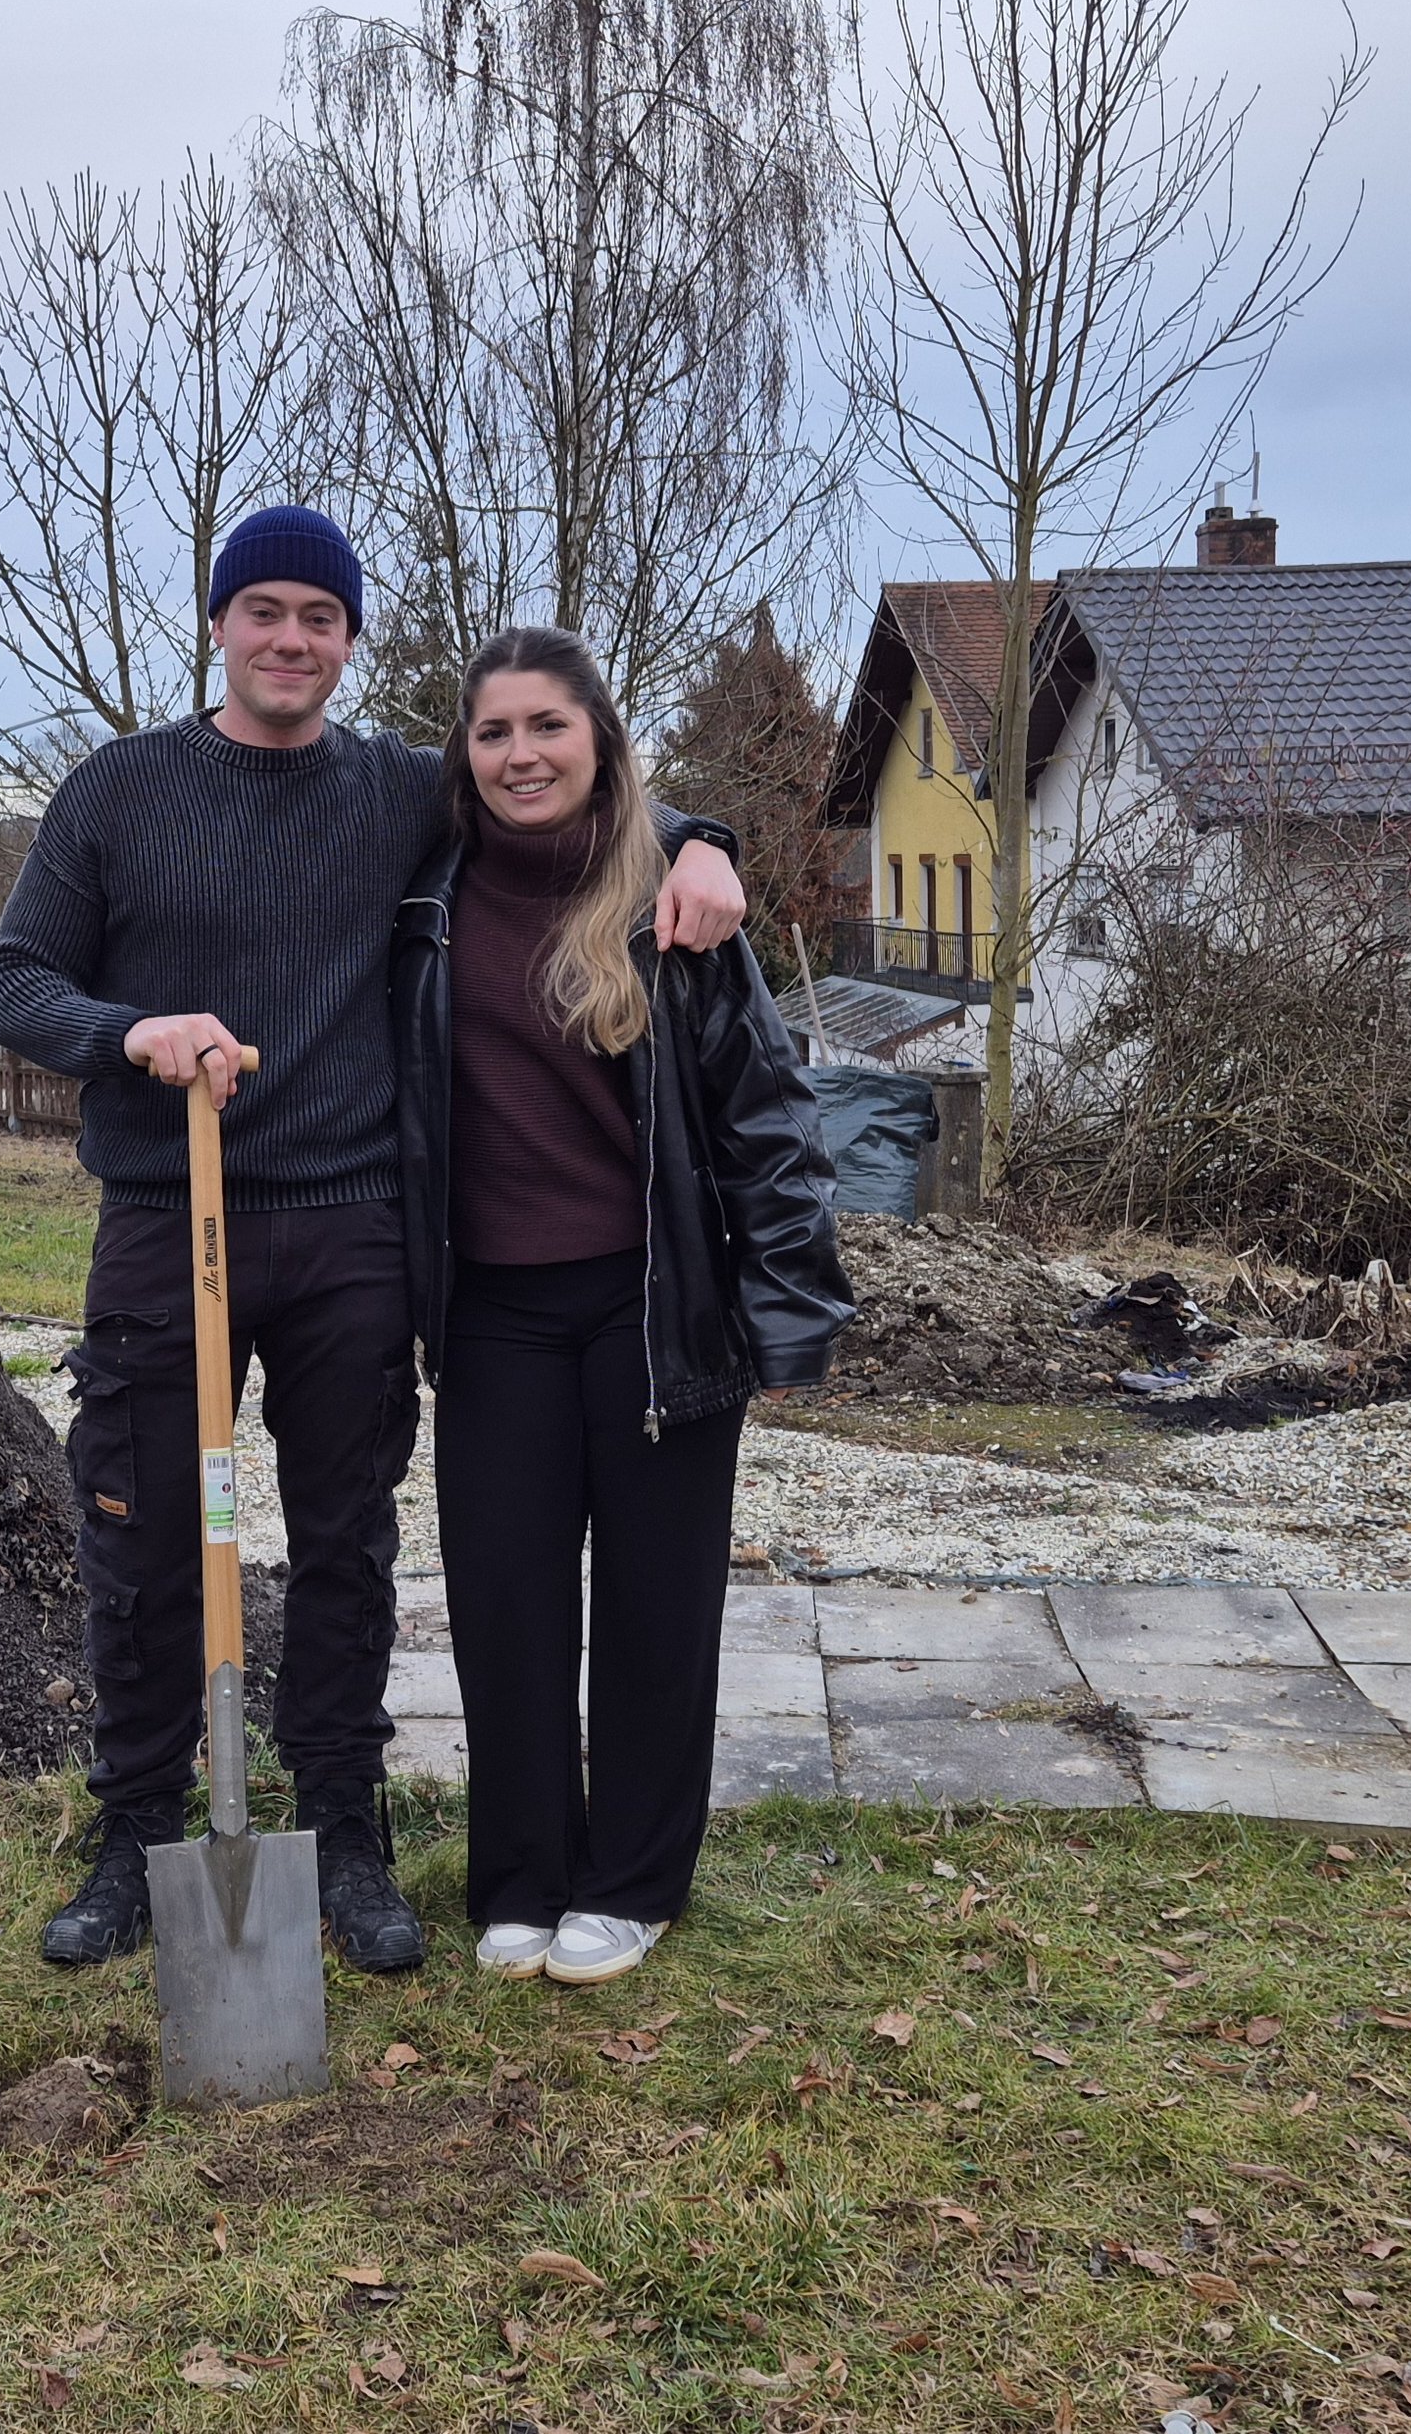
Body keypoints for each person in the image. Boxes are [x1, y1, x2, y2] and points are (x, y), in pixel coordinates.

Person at [0, 507, 751, 1974]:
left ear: (349, 640)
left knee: (344, 1544)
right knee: (143, 1541)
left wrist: (701, 842)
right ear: (219, 624)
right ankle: (139, 1830)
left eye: (318, 618)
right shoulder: (118, 790)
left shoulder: (404, 790)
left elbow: (570, 802)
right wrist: (125, 1028)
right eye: (262, 611)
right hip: (164, 1223)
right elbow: (17, 979)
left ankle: (344, 1826)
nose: (289, 639)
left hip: (348, 1231)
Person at [392, 625, 851, 1988]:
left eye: (547, 725)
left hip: (653, 1313)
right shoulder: (423, 896)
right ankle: (521, 1877)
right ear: (461, 757)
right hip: (489, 1321)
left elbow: (770, 1121)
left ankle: (633, 1882)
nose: (521, 753)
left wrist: (786, 1314)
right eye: (493, 732)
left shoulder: (670, 906)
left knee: (655, 1617)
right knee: (505, 1610)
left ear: (597, 739)